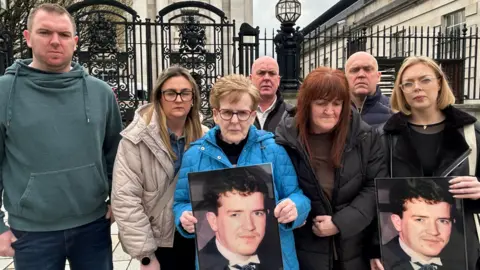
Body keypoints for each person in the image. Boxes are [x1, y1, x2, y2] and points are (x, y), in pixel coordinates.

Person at [0, 3, 122, 270]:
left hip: (93, 226)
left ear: (75, 42)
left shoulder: (101, 93)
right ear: (28, 37)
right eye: (45, 32)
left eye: (64, 35)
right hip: (32, 232)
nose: (55, 41)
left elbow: (115, 154)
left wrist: (116, 199)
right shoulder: (3, 93)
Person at [173, 74, 311, 270]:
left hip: (276, 261)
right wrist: (184, 216)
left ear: (253, 115)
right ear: (215, 114)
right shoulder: (195, 155)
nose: (235, 121)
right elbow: (181, 202)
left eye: (242, 113)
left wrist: (295, 207)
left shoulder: (273, 150)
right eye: (227, 112)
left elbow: (297, 195)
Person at [370, 56, 480, 270]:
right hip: (399, 258)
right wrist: (376, 248)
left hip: (463, 250)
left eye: (425, 80)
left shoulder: (472, 134)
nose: (417, 88)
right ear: (401, 91)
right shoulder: (384, 137)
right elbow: (373, 196)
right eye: (408, 83)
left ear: (440, 82)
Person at [275, 67, 388, 270]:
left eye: (337, 103)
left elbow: (374, 188)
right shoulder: (285, 139)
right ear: (306, 104)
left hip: (354, 250)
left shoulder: (365, 137)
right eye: (321, 103)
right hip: (304, 249)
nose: (329, 111)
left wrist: (339, 223)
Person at [112, 66, 208, 270]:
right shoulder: (135, 141)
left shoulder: (206, 136)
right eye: (171, 93)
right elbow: (126, 200)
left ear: (193, 98)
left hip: (200, 237)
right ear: (159, 97)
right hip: (159, 242)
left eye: (185, 93)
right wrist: (145, 255)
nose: (178, 99)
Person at [198, 167, 282, 270]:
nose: (249, 226)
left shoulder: (279, 259)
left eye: (257, 213)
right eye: (235, 215)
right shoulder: (200, 263)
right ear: (213, 221)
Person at [383, 179, 456, 270]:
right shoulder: (379, 262)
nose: (434, 231)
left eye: (442, 221)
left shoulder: (463, 261)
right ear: (397, 222)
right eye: (420, 220)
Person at [345, 51, 391, 127]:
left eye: (368, 69)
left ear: (378, 76)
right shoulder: (334, 111)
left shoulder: (396, 111)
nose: (361, 75)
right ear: (345, 77)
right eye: (354, 70)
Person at [250, 56, 293, 133]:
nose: (267, 78)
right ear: (250, 79)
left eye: (272, 73)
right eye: (261, 73)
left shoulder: (292, 115)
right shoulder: (238, 113)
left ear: (278, 80)